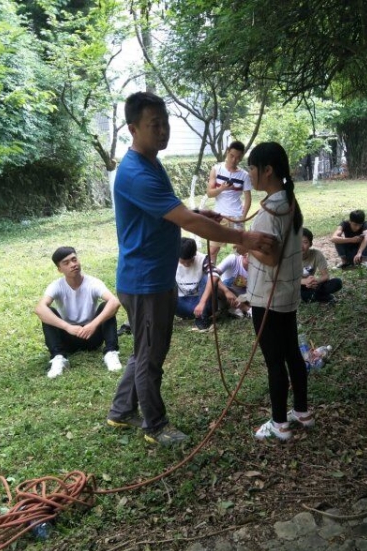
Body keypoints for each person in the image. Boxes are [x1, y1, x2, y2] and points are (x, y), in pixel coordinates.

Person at [105, 92, 277, 446]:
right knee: (151, 355)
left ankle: (121, 410)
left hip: (153, 277)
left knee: (144, 349)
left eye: (165, 123)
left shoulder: (151, 163)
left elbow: (174, 212)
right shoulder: (136, 172)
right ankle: (155, 426)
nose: (163, 131)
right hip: (145, 281)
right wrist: (243, 237)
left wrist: (201, 213)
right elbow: (187, 221)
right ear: (133, 129)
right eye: (155, 125)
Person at [246, 141, 312, 441]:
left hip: (267, 297)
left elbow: (270, 258)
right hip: (287, 294)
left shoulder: (269, 211)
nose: (250, 174)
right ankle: (302, 411)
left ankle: (279, 424)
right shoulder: (289, 201)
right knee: (292, 354)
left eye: (252, 168)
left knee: (275, 360)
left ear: (267, 170)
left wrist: (244, 245)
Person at [34, 246, 122, 378]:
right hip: (68, 338)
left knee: (107, 306)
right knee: (47, 312)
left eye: (74, 259)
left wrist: (93, 325)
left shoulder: (93, 282)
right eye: (66, 263)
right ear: (59, 269)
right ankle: (58, 357)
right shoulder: (56, 286)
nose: (73, 264)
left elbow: (114, 302)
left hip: (92, 335)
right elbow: (39, 309)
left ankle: (111, 353)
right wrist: (67, 327)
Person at [205, 141, 253, 266]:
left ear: (241, 157)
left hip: (237, 216)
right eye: (232, 155)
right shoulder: (216, 169)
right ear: (227, 152)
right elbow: (209, 193)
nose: (234, 160)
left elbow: (248, 198)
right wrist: (222, 188)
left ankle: (242, 274)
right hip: (219, 215)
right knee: (213, 250)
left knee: (242, 250)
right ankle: (212, 274)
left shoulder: (244, 175)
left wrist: (243, 217)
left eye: (238, 157)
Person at [175, 237, 218, 331]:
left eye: (190, 260)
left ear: (195, 254)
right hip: (182, 304)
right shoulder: (170, 259)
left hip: (203, 303)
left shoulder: (203, 259)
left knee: (208, 278)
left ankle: (202, 319)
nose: (187, 264)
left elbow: (214, 276)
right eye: (183, 261)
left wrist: (202, 303)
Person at [300, 227, 343, 303]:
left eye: (305, 242)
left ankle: (314, 296)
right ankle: (323, 297)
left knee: (337, 282)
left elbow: (325, 276)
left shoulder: (317, 254)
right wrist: (304, 281)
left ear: (310, 244)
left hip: (312, 285)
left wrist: (315, 281)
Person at [214, 245, 252, 318]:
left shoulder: (258, 268)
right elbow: (213, 275)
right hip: (226, 295)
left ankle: (236, 310)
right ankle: (245, 309)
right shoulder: (233, 259)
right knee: (215, 284)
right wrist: (226, 291)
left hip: (244, 296)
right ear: (244, 254)